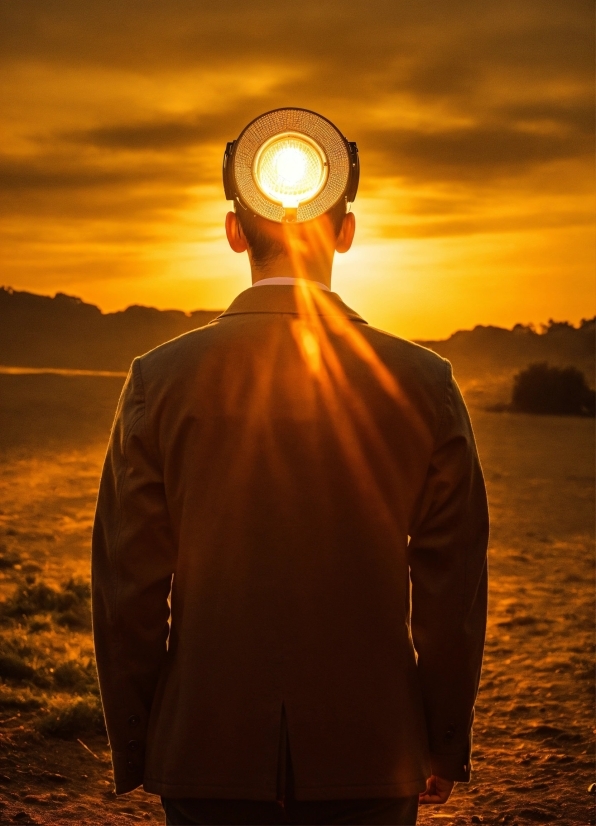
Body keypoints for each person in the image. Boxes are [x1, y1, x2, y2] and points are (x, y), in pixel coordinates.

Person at [92, 113, 489, 826]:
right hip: (373, 751)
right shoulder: (426, 383)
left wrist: (144, 739)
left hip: (206, 751)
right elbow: (450, 588)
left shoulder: (159, 379)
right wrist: (441, 740)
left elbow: (128, 586)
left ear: (233, 231)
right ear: (347, 231)